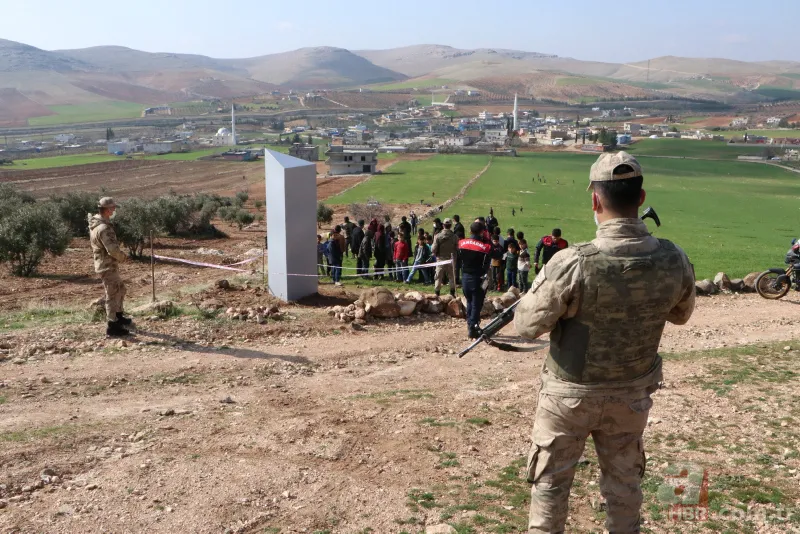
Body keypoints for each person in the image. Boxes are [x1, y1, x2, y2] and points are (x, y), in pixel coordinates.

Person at [514, 151, 696, 533]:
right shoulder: (674, 258)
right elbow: (681, 314)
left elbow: (527, 326)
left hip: (569, 395)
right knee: (624, 484)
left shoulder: (572, 262)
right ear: (640, 199)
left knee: (550, 485)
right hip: (631, 395)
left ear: (595, 200)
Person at [89, 197, 130, 337]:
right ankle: (112, 326)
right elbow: (112, 250)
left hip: (107, 265)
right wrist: (123, 257)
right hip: (106, 266)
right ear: (107, 210)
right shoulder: (103, 228)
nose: (114, 210)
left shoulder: (97, 225)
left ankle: (118, 316)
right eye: (112, 208)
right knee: (112, 295)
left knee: (121, 289)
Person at [458, 221, 492, 339]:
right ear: (482, 232)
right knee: (477, 304)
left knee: (469, 302)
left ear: (470, 231)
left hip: (465, 276)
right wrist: (488, 240)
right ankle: (473, 327)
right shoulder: (485, 247)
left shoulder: (461, 243)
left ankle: (470, 325)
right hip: (477, 278)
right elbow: (492, 256)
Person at [432, 218, 458, 297]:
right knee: (451, 276)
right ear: (450, 226)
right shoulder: (455, 236)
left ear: (443, 225)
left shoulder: (438, 236)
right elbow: (457, 247)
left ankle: (437, 293)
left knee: (438, 277)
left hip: (440, 259)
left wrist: (434, 253)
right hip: (451, 259)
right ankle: (452, 293)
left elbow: (433, 249)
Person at [453, 215, 466, 285]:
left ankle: (457, 279)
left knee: (458, 265)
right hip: (460, 247)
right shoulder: (459, 226)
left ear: (454, 220)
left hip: (459, 248)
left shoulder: (458, 227)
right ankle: (458, 279)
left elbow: (457, 237)